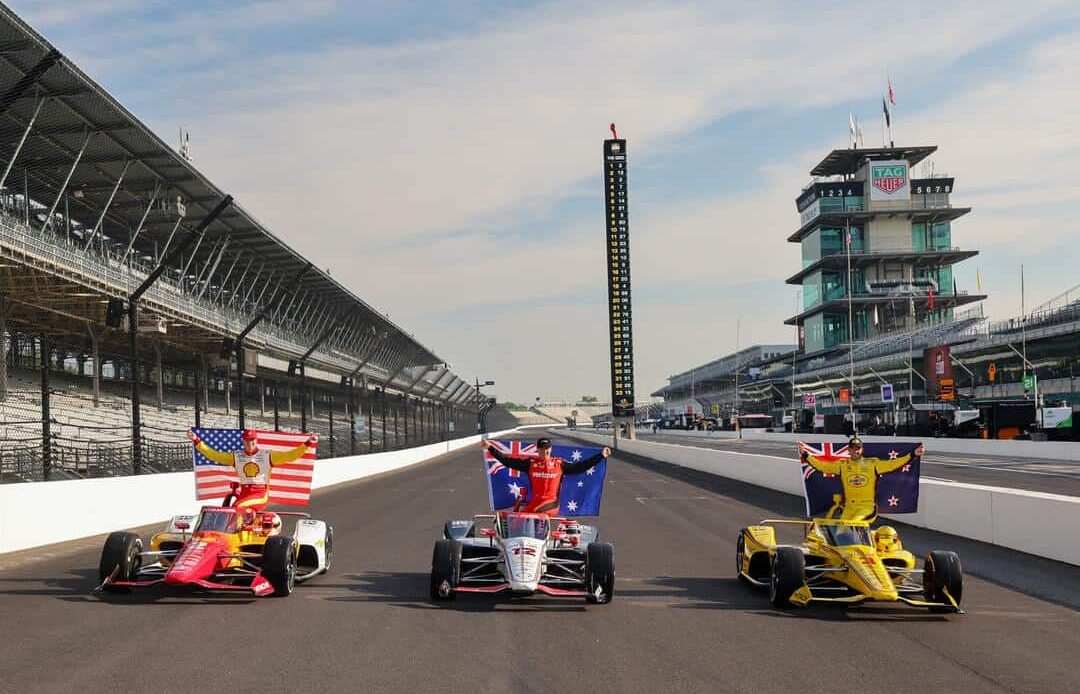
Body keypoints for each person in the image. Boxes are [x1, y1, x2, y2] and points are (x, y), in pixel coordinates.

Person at [797, 435, 924, 522]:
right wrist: (806, 455)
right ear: (848, 450)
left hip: (866, 507)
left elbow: (893, 464)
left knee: (851, 525)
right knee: (840, 530)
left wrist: (912, 455)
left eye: (858, 448)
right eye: (853, 448)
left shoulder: (872, 463)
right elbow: (822, 466)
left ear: (862, 450)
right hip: (848, 507)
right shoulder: (842, 465)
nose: (856, 451)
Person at [188, 429, 316, 512]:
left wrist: (307, 443)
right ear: (243, 441)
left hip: (260, 494)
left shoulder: (268, 455)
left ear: (256, 440)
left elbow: (290, 455)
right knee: (226, 512)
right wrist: (196, 440)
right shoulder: (236, 456)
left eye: (252, 440)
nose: (250, 443)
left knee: (237, 508)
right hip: (244, 493)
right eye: (247, 440)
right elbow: (213, 455)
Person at [482, 437, 610, 514]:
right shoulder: (530, 463)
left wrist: (601, 456)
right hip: (535, 503)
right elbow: (507, 461)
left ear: (551, 449)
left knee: (526, 518)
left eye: (547, 448)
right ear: (537, 450)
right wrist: (490, 448)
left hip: (551, 504)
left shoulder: (560, 464)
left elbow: (581, 466)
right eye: (542, 448)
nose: (545, 451)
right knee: (514, 519)